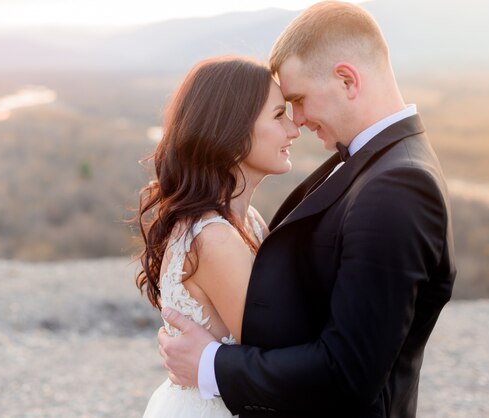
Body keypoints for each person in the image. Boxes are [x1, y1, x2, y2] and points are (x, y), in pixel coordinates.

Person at [158, 2, 456, 417]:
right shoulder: (373, 165)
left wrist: (210, 364)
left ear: (347, 80)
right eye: (283, 110)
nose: (297, 121)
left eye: (296, 100)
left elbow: (349, 371)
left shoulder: (395, 185)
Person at [135, 56, 300, 417]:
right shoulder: (215, 239)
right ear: (232, 132)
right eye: (278, 116)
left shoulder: (248, 220)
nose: (294, 129)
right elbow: (279, 354)